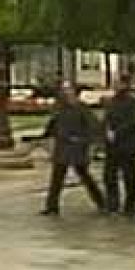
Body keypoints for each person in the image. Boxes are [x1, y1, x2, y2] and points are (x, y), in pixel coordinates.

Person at [39, 83, 106, 216]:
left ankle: (101, 202)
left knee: (84, 175)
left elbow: (93, 127)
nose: (66, 93)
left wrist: (86, 141)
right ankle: (52, 206)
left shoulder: (82, 108)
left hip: (77, 147)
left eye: (68, 90)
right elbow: (52, 125)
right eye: (64, 90)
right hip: (62, 146)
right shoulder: (59, 108)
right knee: (57, 177)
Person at [101, 74, 135, 217]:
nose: (115, 85)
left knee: (129, 176)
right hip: (112, 145)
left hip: (127, 144)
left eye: (117, 83)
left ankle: (129, 205)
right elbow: (107, 118)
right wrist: (106, 130)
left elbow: (134, 122)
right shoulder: (111, 101)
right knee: (109, 175)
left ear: (125, 84)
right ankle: (112, 203)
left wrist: (117, 132)